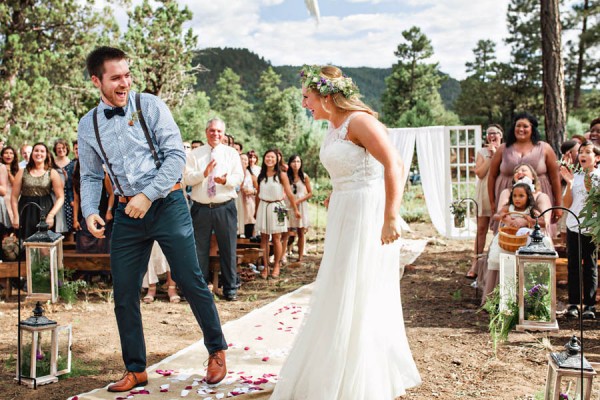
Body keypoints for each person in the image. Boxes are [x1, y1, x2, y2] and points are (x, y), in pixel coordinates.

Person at [77, 46, 227, 392]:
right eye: (116, 77)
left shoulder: (150, 106)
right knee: (125, 292)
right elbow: (88, 174)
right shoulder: (89, 124)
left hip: (167, 202)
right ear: (96, 80)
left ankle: (216, 349)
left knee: (190, 280)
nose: (124, 82)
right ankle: (135, 369)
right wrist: (89, 211)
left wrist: (148, 195)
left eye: (127, 75)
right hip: (128, 214)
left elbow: (176, 156)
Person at [271, 65, 420, 399]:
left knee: (360, 287)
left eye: (307, 98)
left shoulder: (360, 121)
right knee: (340, 285)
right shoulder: (333, 127)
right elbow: (348, 169)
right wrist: (337, 191)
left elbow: (393, 163)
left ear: (325, 96)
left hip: (367, 211)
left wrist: (391, 215)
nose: (304, 104)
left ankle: (359, 377)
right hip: (344, 210)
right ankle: (333, 365)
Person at [184, 118, 244, 301]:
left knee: (228, 248)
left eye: (219, 131)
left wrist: (225, 181)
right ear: (206, 132)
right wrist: (204, 174)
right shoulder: (195, 154)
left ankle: (230, 289)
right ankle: (200, 289)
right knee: (198, 249)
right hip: (200, 208)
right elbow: (186, 178)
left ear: (223, 134)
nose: (215, 134)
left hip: (224, 207)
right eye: (212, 130)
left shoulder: (231, 153)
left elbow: (239, 177)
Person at [487, 112, 562, 235]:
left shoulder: (544, 148)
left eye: (525, 126)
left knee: (537, 230)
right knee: (507, 232)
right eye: (518, 126)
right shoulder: (503, 148)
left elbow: (555, 178)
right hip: (507, 195)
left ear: (532, 128)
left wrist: (558, 205)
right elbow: (492, 176)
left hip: (538, 194)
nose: (521, 129)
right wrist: (492, 202)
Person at [560, 140, 600, 319]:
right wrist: (569, 183)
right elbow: (567, 205)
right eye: (581, 152)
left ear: (597, 158)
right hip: (573, 226)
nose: (582, 155)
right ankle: (573, 304)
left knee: (590, 266)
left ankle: (590, 305)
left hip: (591, 228)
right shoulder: (574, 177)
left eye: (588, 152)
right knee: (573, 266)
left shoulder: (598, 176)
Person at [254, 149, 300, 279]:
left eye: (272, 157)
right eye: (267, 157)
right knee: (263, 238)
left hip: (278, 207)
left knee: (276, 238)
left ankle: (276, 266)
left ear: (277, 159)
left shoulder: (282, 175)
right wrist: (256, 210)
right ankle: (266, 266)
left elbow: (289, 193)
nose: (270, 159)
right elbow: (258, 194)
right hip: (264, 206)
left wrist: (295, 209)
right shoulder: (261, 175)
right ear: (264, 159)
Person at [466, 124, 503, 279]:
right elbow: (480, 173)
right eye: (489, 133)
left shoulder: (505, 151)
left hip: (499, 192)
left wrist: (497, 154)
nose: (492, 136)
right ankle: (476, 262)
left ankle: (496, 264)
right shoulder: (482, 152)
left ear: (501, 135)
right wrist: (491, 157)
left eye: (495, 133)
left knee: (499, 230)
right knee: (481, 229)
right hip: (484, 193)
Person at [11, 143, 64, 239]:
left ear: (46, 154)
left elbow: (60, 197)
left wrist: (51, 215)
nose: (39, 153)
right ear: (32, 154)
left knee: (44, 246)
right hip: (25, 210)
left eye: (42, 151)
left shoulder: (52, 172)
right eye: (36, 150)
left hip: (45, 210)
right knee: (25, 244)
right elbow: (14, 196)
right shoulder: (22, 171)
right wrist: (15, 216)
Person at [283, 154, 312, 261]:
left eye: (298, 162)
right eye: (294, 162)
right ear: (290, 163)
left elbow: (310, 193)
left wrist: (299, 200)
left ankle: (300, 257)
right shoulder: (285, 176)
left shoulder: (304, 176)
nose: (296, 164)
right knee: (286, 231)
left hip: (301, 205)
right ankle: (283, 255)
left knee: (300, 231)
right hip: (288, 204)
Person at [1, 146, 19, 225]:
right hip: (2, 196)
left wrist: (8, 172)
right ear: (2, 155)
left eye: (11, 153)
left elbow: (16, 184)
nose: (8, 155)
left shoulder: (17, 168)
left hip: (13, 196)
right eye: (6, 153)